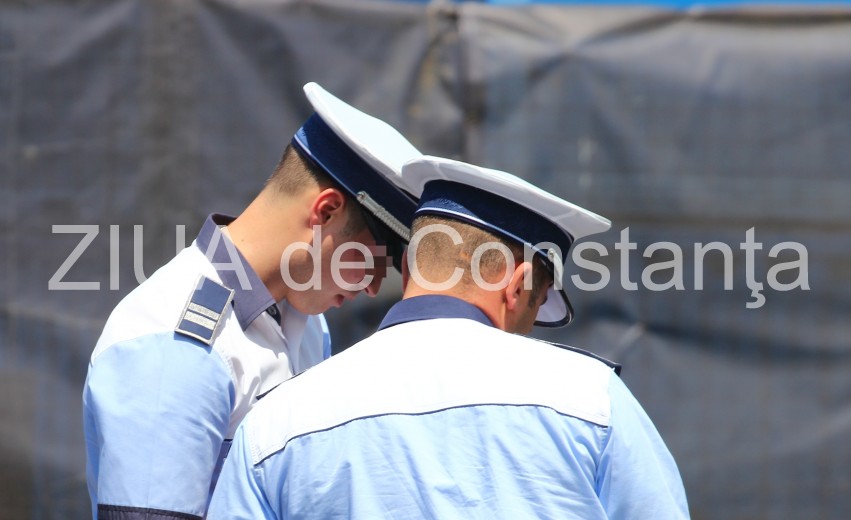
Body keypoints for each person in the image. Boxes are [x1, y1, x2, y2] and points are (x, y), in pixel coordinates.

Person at [207, 155, 690, 519]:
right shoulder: (592, 401)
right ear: (518, 285)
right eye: (537, 302)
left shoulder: (275, 424)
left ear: (412, 267)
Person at [82, 82, 424, 520]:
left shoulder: (306, 322)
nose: (375, 287)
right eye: (378, 258)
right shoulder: (175, 344)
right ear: (325, 212)